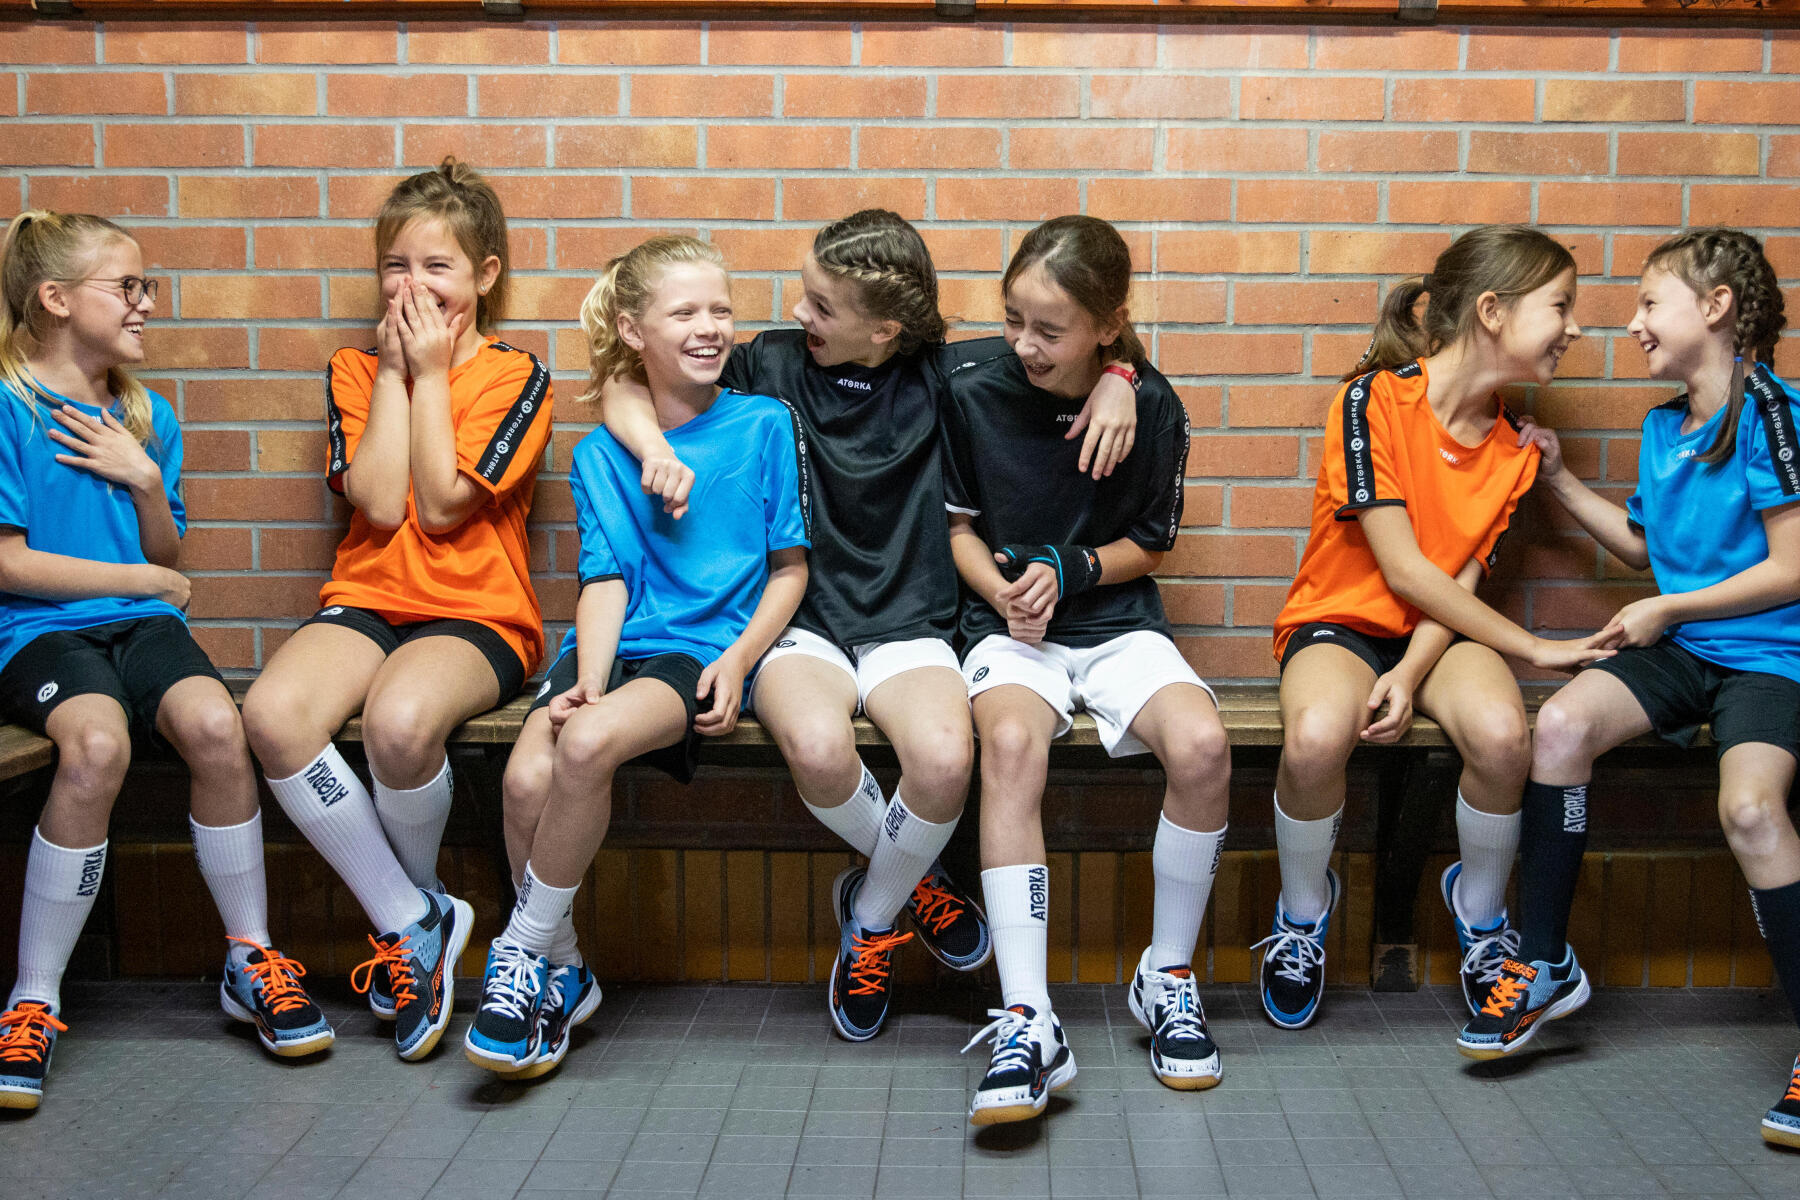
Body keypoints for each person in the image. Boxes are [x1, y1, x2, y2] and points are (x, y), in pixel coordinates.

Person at [1456, 229, 1800, 1150]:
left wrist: (1667, 607)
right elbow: (1651, 550)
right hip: (1684, 646)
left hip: (1772, 656)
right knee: (1560, 726)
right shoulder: (1663, 426)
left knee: (1753, 813)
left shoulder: (1771, 412)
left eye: (1652, 303)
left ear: (1717, 307)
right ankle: (1539, 968)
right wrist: (1561, 479)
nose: (1635, 321)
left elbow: (1793, 567)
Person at [0, 211, 330, 1111]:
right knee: (96, 748)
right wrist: (141, 575)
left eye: (146, 286)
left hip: (141, 624)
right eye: (128, 286)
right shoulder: (8, 404)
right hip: (39, 632)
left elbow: (169, 552)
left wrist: (144, 478)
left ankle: (249, 957)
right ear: (56, 299)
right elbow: (9, 560)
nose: (146, 303)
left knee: (218, 727)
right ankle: (33, 998)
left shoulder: (146, 411)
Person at [469, 235, 808, 1078]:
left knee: (584, 748)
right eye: (684, 312)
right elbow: (607, 578)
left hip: (696, 651)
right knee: (521, 778)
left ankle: (519, 951)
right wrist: (585, 681)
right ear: (632, 329)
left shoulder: (764, 423)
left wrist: (737, 661)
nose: (709, 327)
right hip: (611, 646)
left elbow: (789, 570)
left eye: (721, 309)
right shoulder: (598, 454)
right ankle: (564, 969)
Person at [241, 159, 553, 1062]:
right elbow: (379, 504)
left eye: (437, 268)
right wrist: (393, 373)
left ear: (486, 276)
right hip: (368, 598)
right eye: (395, 267)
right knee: (271, 714)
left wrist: (430, 371)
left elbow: (447, 501)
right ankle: (410, 916)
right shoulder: (350, 367)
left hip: (478, 614)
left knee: (401, 722)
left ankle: (415, 932)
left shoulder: (514, 375)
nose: (411, 287)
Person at [1262, 225, 1611, 1031]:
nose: (1576, 327)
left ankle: (1482, 919)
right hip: (1340, 621)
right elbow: (1402, 567)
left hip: (1439, 634)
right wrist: (1532, 647)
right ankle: (1302, 915)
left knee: (1501, 736)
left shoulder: (1515, 451)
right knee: (1316, 738)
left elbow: (1454, 583)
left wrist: (1411, 675)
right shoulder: (1371, 399)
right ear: (1492, 310)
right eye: (1561, 306)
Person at [944, 215, 1229, 1123]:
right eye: (1013, 318)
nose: (1022, 343)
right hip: (1006, 628)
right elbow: (958, 528)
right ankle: (1030, 1017)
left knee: (1204, 746)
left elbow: (1153, 542)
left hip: (1111, 623)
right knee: (1015, 748)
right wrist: (1005, 593)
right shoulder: (972, 384)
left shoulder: (1155, 406)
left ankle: (1166, 975)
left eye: (1048, 329)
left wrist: (1074, 568)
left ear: (1109, 325)